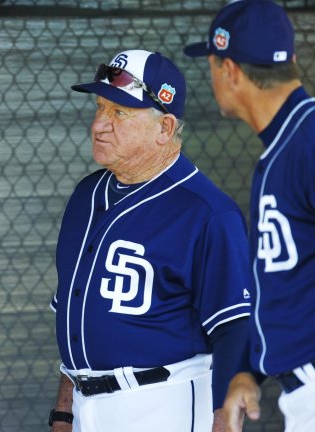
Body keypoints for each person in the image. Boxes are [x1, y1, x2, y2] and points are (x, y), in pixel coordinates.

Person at [48, 49, 252, 432]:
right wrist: (63, 411)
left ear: (164, 128)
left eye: (120, 113)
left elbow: (234, 331)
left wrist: (225, 423)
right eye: (100, 107)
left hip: (165, 404)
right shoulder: (84, 197)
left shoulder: (207, 212)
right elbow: (75, 317)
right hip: (86, 406)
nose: (99, 125)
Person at [184, 1, 315, 431]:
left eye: (211, 65)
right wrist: (249, 371)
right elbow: (287, 284)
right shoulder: (289, 144)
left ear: (230, 72)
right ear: (291, 61)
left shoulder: (306, 141)